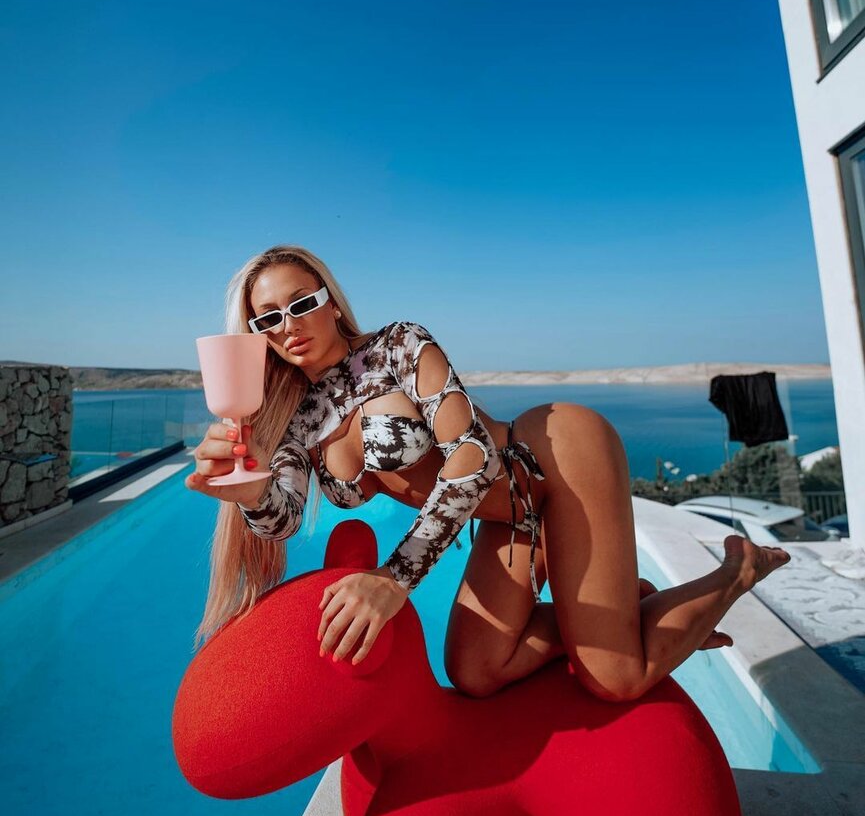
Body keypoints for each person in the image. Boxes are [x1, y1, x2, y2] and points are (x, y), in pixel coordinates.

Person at [186, 244, 791, 701]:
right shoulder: (295, 421)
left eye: (301, 303)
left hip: (556, 461)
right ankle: (617, 612)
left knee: (617, 677)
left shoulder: (397, 346)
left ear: (330, 301)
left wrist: (394, 578)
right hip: (512, 516)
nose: (288, 325)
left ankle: (737, 569)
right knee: (476, 671)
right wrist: (253, 492)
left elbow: (473, 460)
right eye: (268, 318)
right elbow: (282, 519)